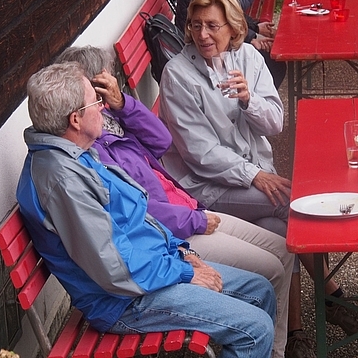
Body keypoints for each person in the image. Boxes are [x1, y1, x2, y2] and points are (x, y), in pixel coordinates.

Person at [159, 0, 358, 358]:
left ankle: (291, 336)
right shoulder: (178, 75)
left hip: (250, 178)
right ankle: (333, 297)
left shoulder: (247, 58)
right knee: (292, 205)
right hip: (205, 188)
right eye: (196, 25)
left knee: (282, 232)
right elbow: (200, 154)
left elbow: (275, 122)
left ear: (232, 27)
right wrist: (253, 176)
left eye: (212, 25)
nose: (203, 35)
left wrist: (249, 100)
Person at [16, 62, 276, 358]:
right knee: (255, 330)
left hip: (152, 271)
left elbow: (138, 216)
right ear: (75, 119)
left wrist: (183, 251)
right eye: (97, 102)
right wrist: (183, 272)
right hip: (126, 301)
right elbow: (113, 268)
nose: (102, 108)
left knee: (260, 289)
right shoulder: (63, 181)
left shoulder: (75, 154)